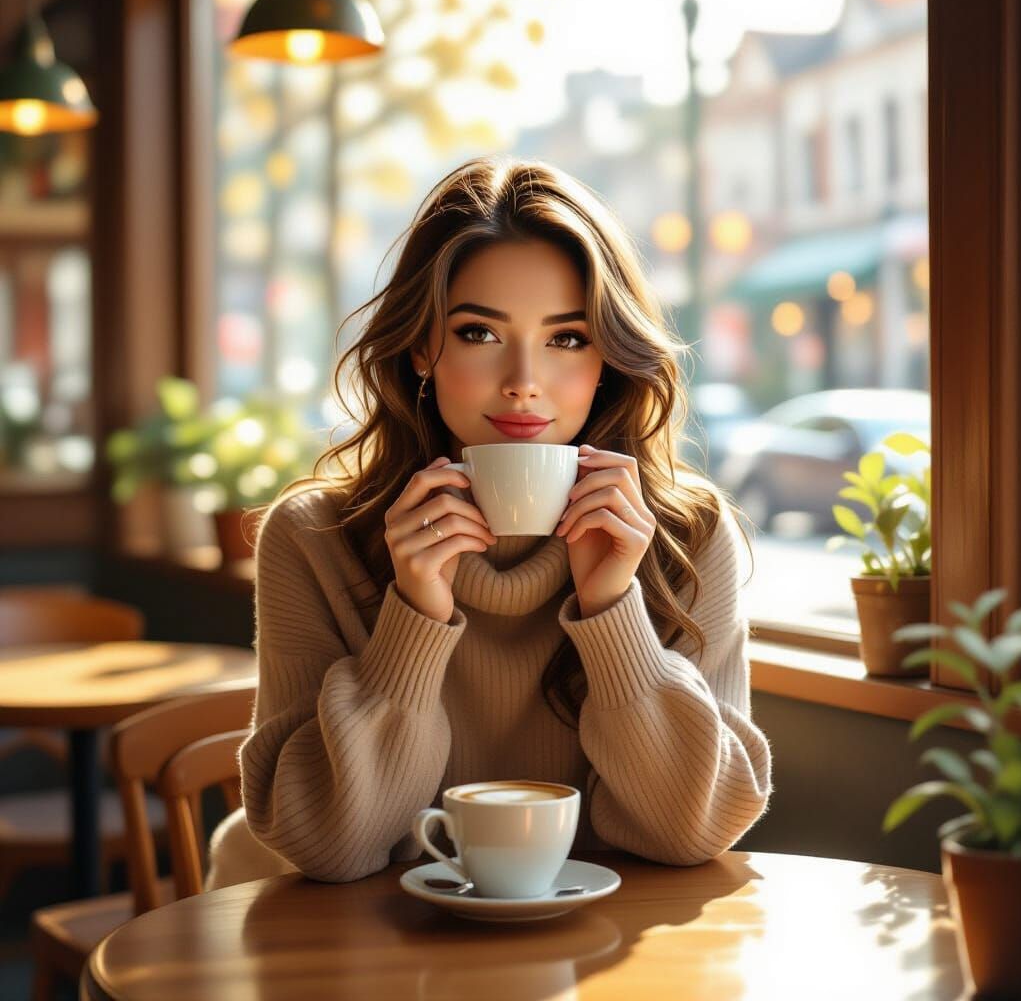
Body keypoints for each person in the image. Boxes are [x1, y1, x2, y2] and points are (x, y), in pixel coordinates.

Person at [204, 156, 772, 890]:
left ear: (608, 359)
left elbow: (691, 832)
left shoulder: (686, 535)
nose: (523, 383)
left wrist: (611, 607)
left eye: (567, 338)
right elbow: (331, 846)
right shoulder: (314, 537)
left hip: (598, 944)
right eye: (479, 333)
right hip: (364, 944)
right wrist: (415, 615)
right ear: (421, 348)